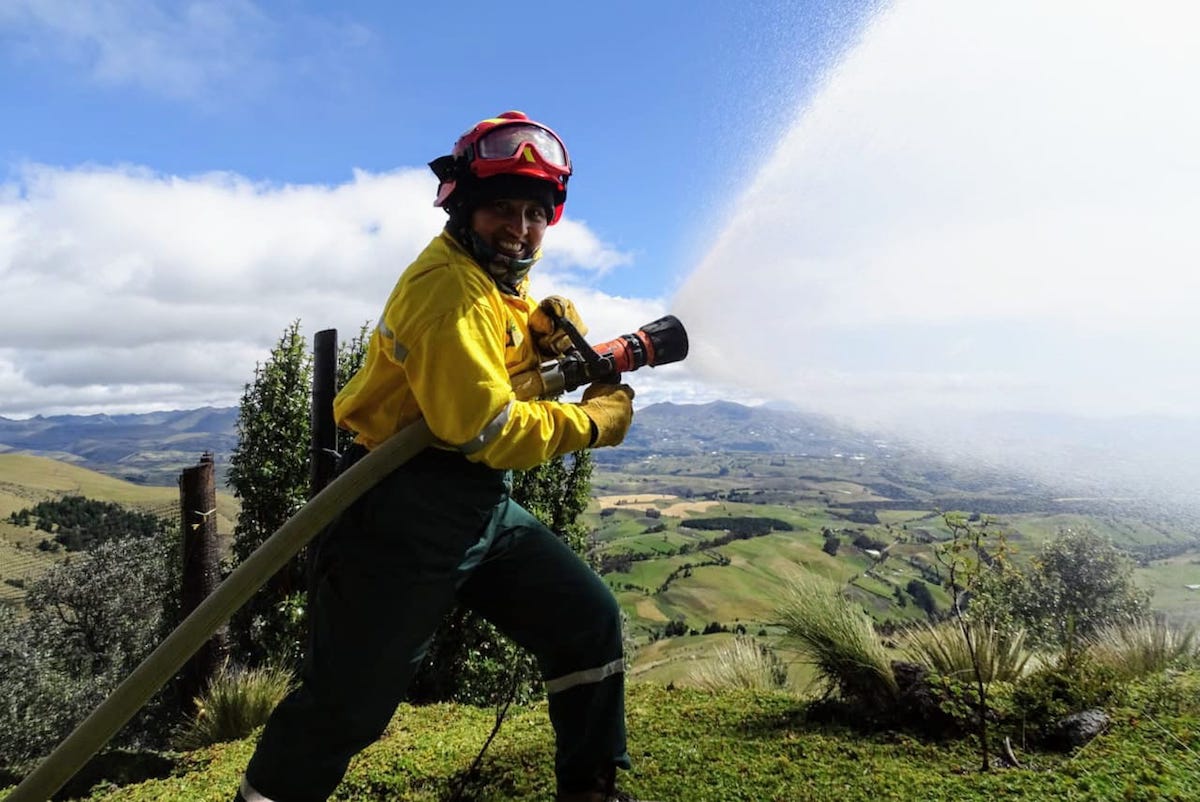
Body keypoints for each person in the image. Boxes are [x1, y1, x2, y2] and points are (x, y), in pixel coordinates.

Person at [234, 111, 640, 802]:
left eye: (534, 213)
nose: (519, 227)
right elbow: (489, 429)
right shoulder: (446, 288)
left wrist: (535, 327)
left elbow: (487, 359)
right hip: (397, 505)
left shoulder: (490, 282)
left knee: (586, 618)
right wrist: (594, 423)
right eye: (502, 208)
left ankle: (590, 790)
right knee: (347, 707)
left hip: (475, 501)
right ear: (463, 206)